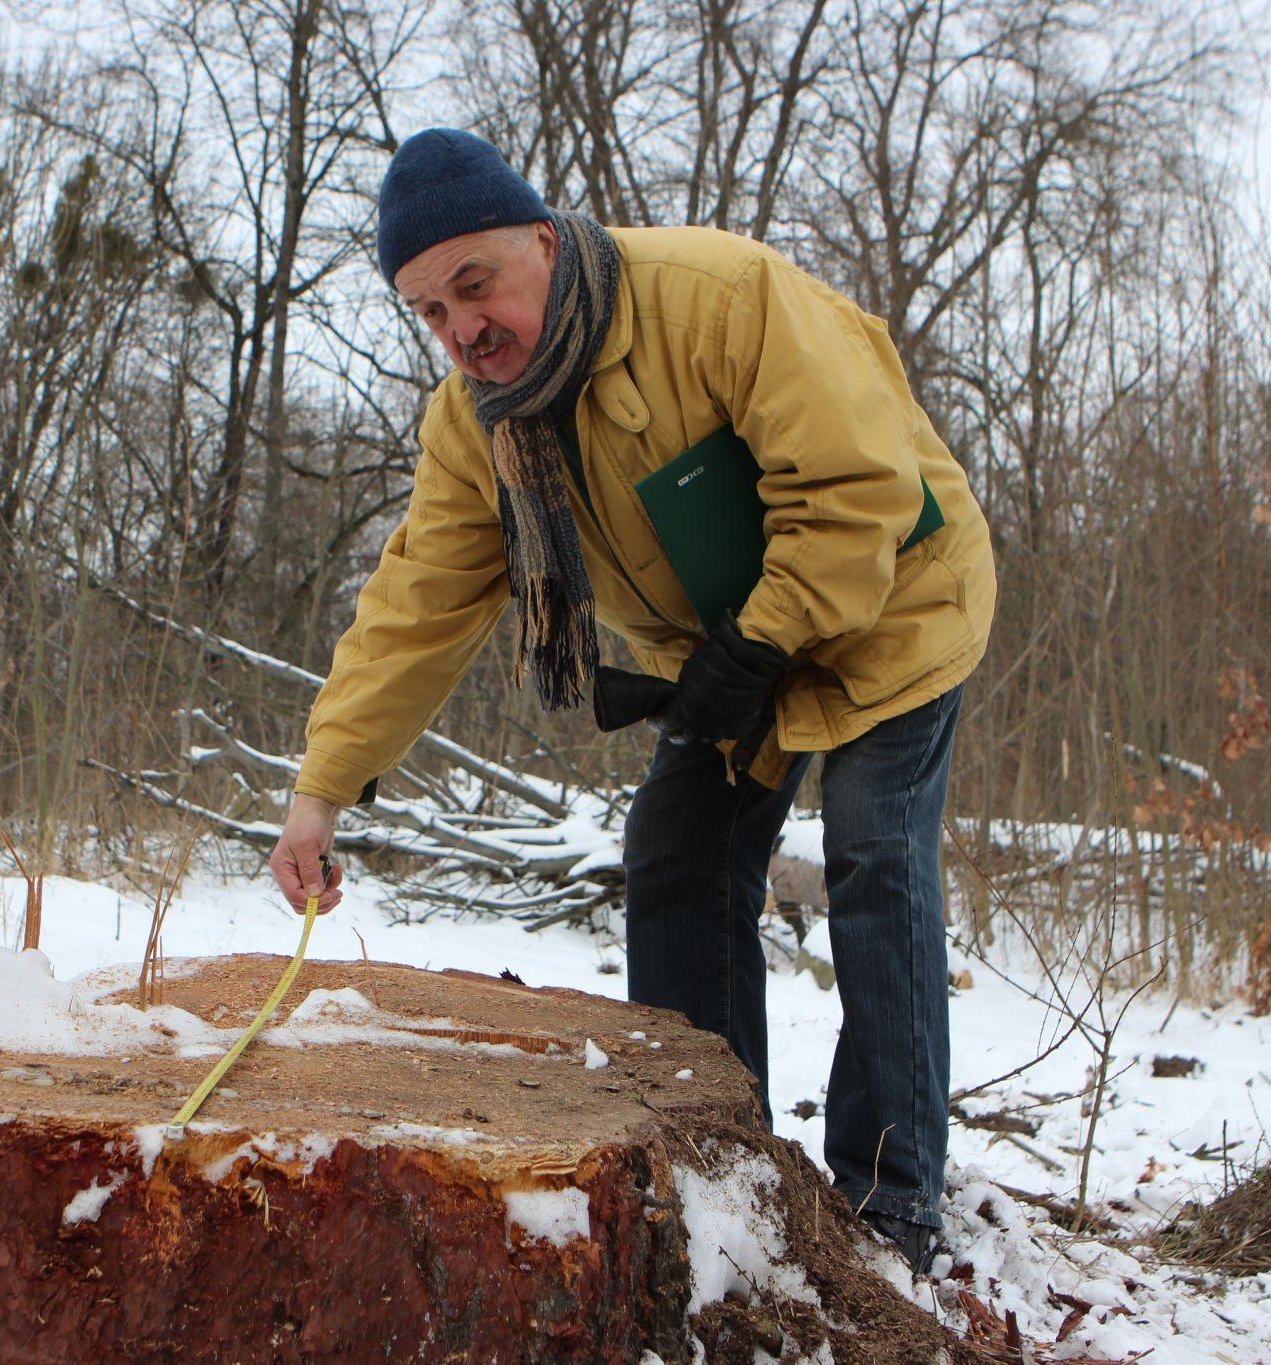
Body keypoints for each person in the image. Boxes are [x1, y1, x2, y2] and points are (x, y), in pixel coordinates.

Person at [266, 128, 995, 1272]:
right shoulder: (481, 426)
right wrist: (321, 788)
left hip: (893, 594)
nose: (463, 330)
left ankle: (891, 1199)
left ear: (544, 245)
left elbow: (857, 490)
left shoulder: (719, 298)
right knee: (674, 852)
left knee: (873, 852)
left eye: (476, 284)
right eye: (428, 313)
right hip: (730, 640)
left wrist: (756, 643)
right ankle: (709, 1162)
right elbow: (417, 602)